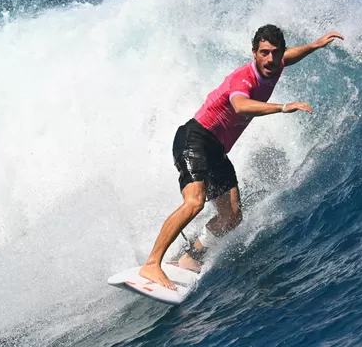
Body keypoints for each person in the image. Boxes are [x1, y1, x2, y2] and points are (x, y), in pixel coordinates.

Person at [139, 24, 344, 290]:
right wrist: (282, 107)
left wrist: (315, 45)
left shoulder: (277, 63)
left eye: (275, 53)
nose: (271, 59)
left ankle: (191, 257)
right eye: (264, 53)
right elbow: (241, 105)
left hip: (216, 150)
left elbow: (289, 56)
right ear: (254, 53)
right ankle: (152, 264)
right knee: (195, 202)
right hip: (195, 139)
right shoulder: (243, 78)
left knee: (232, 216)